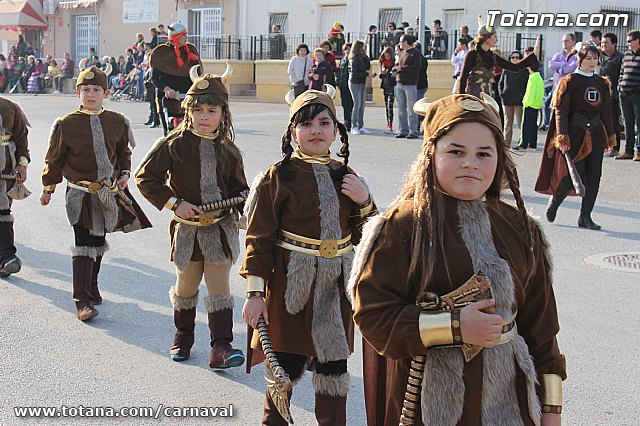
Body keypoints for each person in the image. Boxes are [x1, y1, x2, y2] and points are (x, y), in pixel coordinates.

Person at [350, 93, 566, 426]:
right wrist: (453, 327)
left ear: (500, 159)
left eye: (484, 153)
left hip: (510, 402)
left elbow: (542, 329)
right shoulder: (402, 226)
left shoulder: (521, 228)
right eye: (455, 151)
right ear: (430, 155)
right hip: (426, 401)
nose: (471, 163)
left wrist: (551, 410)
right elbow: (374, 314)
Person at [240, 88, 376, 426]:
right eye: (306, 123)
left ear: (336, 130)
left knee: (333, 374)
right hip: (290, 288)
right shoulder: (278, 176)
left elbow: (369, 238)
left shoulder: (347, 175)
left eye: (324, 122)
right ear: (292, 132)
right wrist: (255, 295)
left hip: (335, 291)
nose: (315, 130)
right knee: (283, 370)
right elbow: (259, 238)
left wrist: (366, 202)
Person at [136, 65, 248, 368]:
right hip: (186, 231)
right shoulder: (173, 143)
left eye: (212, 110)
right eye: (198, 109)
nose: (204, 116)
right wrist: (175, 204)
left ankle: (222, 347)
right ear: (188, 110)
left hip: (220, 231)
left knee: (219, 288)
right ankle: (183, 336)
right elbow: (146, 179)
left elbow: (241, 189)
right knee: (186, 286)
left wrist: (242, 208)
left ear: (223, 114)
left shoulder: (229, 150)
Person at [40, 65, 151, 321]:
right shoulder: (66, 125)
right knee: (83, 242)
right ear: (78, 93)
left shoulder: (117, 121)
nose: (91, 94)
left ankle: (92, 286)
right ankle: (82, 300)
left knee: (98, 242)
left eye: (96, 90)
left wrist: (124, 173)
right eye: (86, 89)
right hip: (79, 194)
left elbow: (123, 151)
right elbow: (54, 159)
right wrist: (49, 187)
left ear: (106, 92)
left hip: (106, 194)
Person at [535, 45, 615, 230]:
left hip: (595, 134)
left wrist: (611, 135)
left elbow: (607, 113)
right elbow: (561, 111)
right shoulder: (570, 81)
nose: (592, 62)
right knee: (574, 176)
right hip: (575, 134)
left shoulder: (602, 83)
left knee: (594, 177)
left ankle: (585, 217)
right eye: (588, 58)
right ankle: (555, 202)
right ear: (579, 60)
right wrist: (562, 136)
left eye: (595, 59)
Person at [458, 19, 539, 99]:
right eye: (495, 36)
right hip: (473, 97)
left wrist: (533, 55)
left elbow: (514, 67)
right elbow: (463, 77)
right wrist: (461, 98)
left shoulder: (493, 56)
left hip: (488, 98)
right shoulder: (472, 55)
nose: (497, 39)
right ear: (487, 38)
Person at [149, 22, 202, 136]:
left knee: (190, 135)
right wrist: (167, 89)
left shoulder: (191, 50)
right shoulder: (160, 52)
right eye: (184, 34)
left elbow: (198, 75)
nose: (186, 37)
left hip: (187, 100)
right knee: (169, 135)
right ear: (176, 37)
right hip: (167, 100)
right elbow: (154, 78)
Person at [0, 95, 30, 277]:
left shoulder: (10, 107)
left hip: (5, 171)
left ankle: (7, 257)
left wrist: (22, 164)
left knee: (3, 212)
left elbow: (21, 139)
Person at [542, 33, 578, 130]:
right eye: (563, 41)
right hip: (556, 88)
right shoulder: (558, 55)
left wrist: (559, 69)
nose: (564, 43)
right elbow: (551, 65)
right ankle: (548, 124)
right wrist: (562, 64)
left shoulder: (576, 56)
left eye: (567, 41)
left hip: (569, 88)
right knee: (549, 104)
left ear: (573, 42)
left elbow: (571, 68)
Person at [598, 33, 624, 157]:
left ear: (614, 43)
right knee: (602, 121)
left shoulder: (619, 58)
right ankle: (605, 146)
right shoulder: (600, 58)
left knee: (613, 122)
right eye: (602, 43)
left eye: (606, 43)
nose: (603, 45)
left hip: (613, 95)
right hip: (601, 95)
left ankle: (615, 147)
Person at [615, 30, 640, 161]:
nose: (628, 43)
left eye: (630, 41)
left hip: (637, 94)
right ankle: (628, 150)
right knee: (627, 123)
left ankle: (639, 151)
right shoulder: (626, 55)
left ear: (638, 41)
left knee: (639, 123)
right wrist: (620, 85)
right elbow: (622, 72)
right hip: (624, 94)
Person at [499, 51, 529, 146]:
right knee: (508, 122)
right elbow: (501, 83)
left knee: (521, 122)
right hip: (507, 99)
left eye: (517, 57)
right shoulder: (506, 70)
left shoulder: (524, 70)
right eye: (512, 57)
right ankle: (506, 144)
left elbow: (527, 85)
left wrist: (523, 96)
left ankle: (522, 142)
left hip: (519, 101)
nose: (514, 59)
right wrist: (502, 94)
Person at [395, 34, 422, 139]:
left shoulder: (415, 53)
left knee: (411, 109)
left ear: (406, 42)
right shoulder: (402, 53)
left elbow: (416, 67)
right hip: (399, 83)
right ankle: (403, 130)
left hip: (410, 84)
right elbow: (399, 66)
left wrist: (401, 69)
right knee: (401, 109)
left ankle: (413, 131)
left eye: (401, 41)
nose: (400, 43)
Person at [518, 65, 544, 150]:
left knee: (525, 125)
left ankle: (523, 144)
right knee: (533, 125)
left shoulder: (532, 78)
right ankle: (533, 144)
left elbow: (530, 93)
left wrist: (525, 102)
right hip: (536, 105)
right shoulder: (539, 78)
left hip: (529, 105)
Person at [348, 40, 370, 135]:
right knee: (357, 104)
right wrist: (365, 74)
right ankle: (354, 126)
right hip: (355, 83)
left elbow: (367, 66)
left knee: (362, 105)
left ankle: (361, 125)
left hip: (361, 82)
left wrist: (366, 57)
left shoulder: (362, 58)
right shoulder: (354, 59)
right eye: (363, 47)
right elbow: (354, 73)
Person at [336, 43, 354, 131]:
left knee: (351, 105)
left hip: (351, 86)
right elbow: (339, 73)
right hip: (343, 86)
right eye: (346, 49)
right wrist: (338, 82)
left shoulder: (352, 60)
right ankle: (347, 122)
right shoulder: (342, 60)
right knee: (345, 105)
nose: (347, 51)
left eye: (349, 49)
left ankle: (352, 122)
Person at [379, 47, 396, 133]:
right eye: (385, 56)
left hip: (392, 85)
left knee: (390, 106)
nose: (387, 58)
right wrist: (382, 73)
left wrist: (389, 72)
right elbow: (380, 76)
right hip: (385, 86)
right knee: (387, 106)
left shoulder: (394, 63)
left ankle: (390, 124)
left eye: (388, 56)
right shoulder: (382, 63)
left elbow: (394, 76)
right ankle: (388, 123)